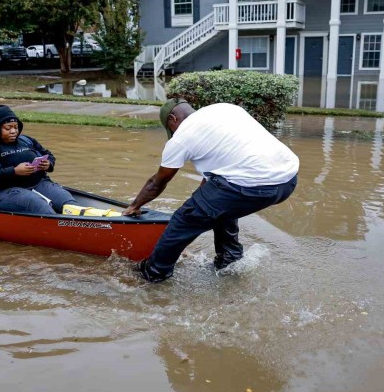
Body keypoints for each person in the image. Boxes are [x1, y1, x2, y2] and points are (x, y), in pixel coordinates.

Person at [122, 98, 299, 283]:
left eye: (170, 129)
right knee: (221, 208)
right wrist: (199, 202)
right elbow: (217, 174)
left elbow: (156, 183)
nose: (172, 133)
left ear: (173, 118)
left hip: (252, 185)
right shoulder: (224, 109)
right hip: (287, 179)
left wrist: (134, 206)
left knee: (183, 220)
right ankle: (230, 262)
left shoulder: (182, 137)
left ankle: (153, 274)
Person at [0, 105, 77, 214]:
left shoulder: (26, 140)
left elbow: (48, 154)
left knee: (67, 201)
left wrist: (49, 164)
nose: (13, 131)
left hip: (38, 183)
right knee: (40, 205)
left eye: (16, 127)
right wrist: (14, 171)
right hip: (4, 191)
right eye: (8, 128)